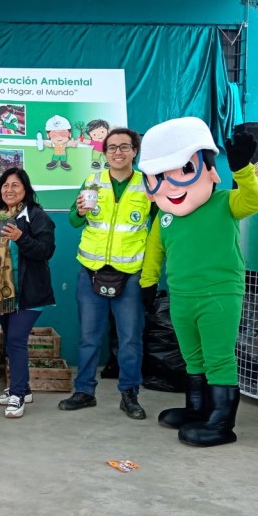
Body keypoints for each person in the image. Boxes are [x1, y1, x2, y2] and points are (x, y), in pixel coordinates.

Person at [138, 119, 258, 447]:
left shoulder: (224, 202)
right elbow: (155, 249)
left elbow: (255, 202)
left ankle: (222, 423)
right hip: (181, 296)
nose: (170, 185)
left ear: (209, 170)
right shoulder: (165, 217)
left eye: (184, 169)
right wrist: (148, 283)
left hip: (219, 295)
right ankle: (197, 409)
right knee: (192, 356)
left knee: (218, 357)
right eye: (158, 177)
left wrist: (243, 170)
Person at [59, 127, 152, 420]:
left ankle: (130, 395)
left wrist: (151, 272)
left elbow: (160, 229)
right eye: (112, 147)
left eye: (124, 147)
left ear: (135, 151)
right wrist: (79, 212)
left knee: (130, 339)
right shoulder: (93, 181)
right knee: (89, 338)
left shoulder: (148, 184)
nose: (117, 152)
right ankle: (84, 391)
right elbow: (74, 220)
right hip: (91, 272)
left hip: (131, 274)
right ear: (105, 153)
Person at [0, 168, 56, 419]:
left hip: (29, 292)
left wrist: (21, 237)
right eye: (5, 185)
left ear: (26, 189)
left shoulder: (36, 216)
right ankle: (24, 388)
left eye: (15, 185)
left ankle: (18, 395)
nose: (9, 190)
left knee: (15, 340)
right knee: (10, 339)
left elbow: (45, 251)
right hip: (3, 294)